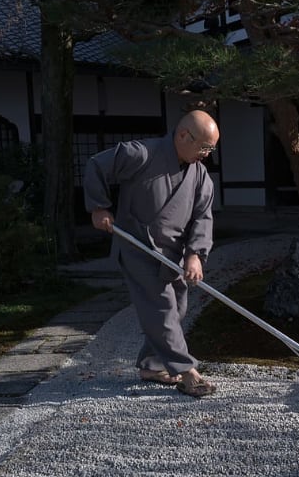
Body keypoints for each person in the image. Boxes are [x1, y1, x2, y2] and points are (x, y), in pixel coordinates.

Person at [83, 110, 219, 398]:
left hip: (173, 254)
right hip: (137, 246)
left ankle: (152, 365)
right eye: (204, 147)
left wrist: (195, 254)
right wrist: (98, 206)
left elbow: (202, 217)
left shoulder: (200, 175)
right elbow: (96, 165)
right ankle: (187, 371)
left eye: (211, 149)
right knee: (162, 308)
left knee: (177, 309)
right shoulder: (141, 153)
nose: (206, 155)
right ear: (183, 135)